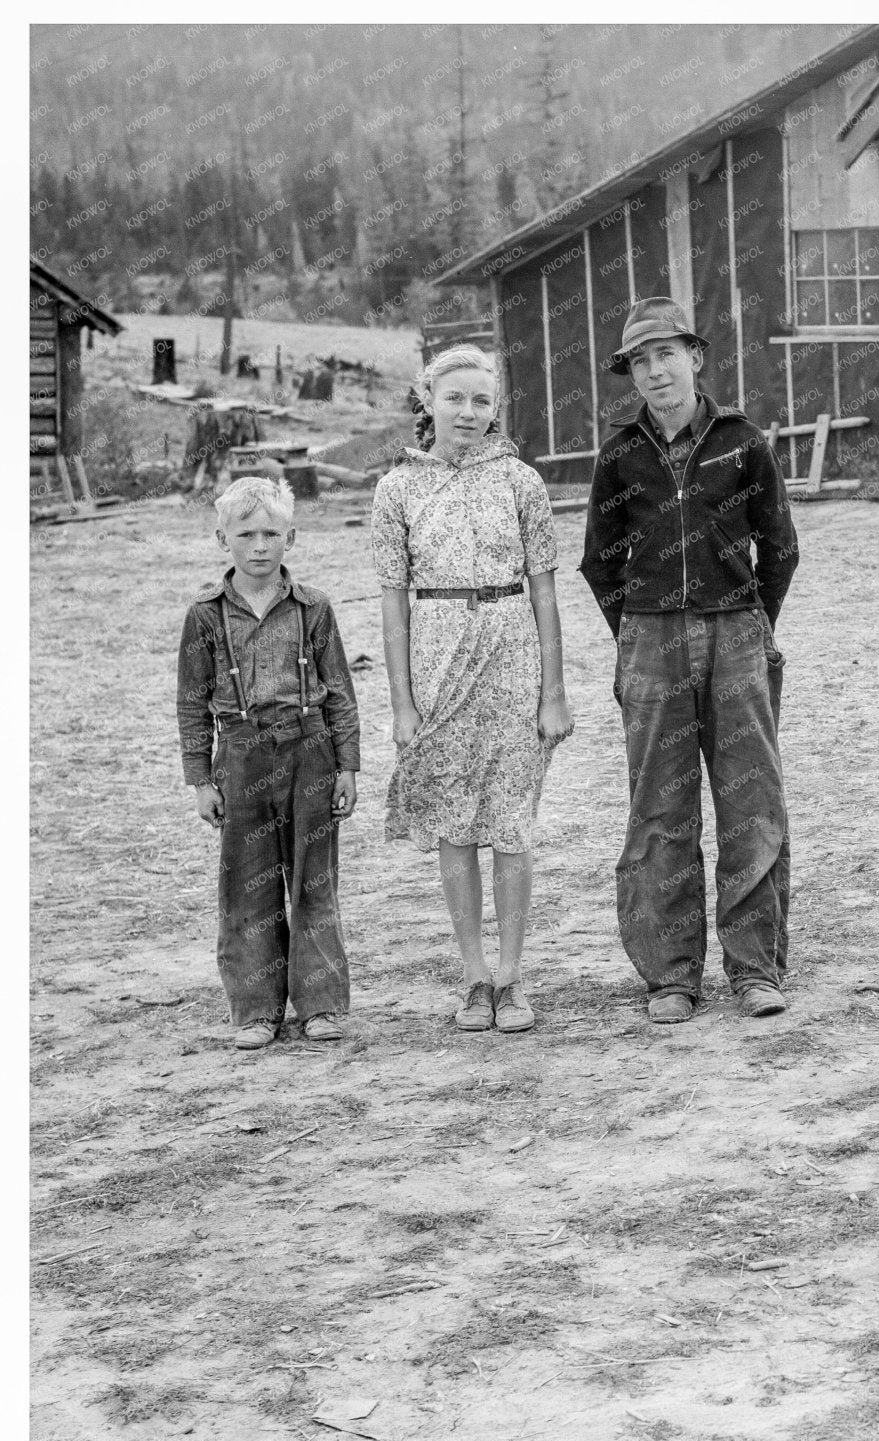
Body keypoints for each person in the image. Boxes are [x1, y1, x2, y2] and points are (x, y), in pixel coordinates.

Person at [581, 297, 799, 1024]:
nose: (654, 371)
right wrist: (639, 630)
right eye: (640, 361)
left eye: (665, 354)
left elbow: (782, 546)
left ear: (695, 357)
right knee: (659, 809)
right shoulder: (618, 454)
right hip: (649, 641)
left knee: (751, 804)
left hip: (736, 634)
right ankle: (671, 974)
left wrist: (750, 618)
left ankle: (755, 969)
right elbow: (597, 561)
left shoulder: (745, 441)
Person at [371, 344, 573, 1033]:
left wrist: (554, 692)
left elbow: (546, 595)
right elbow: (393, 605)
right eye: (454, 397)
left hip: (512, 649)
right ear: (427, 399)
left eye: (481, 401)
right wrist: (402, 702)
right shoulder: (397, 488)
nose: (468, 412)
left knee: (511, 822)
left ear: (496, 409)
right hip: (435, 652)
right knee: (454, 823)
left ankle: (513, 978)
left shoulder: (522, 482)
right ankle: (474, 978)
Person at [177, 476, 361, 1049]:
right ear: (222, 538)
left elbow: (340, 692)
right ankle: (256, 1009)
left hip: (310, 752)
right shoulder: (205, 615)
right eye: (247, 534)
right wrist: (200, 779)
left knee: (313, 880)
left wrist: (347, 767)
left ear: (292, 537)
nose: (260, 545)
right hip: (240, 753)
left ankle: (321, 1005)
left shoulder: (314, 609)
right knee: (247, 885)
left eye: (272, 534)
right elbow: (190, 701)